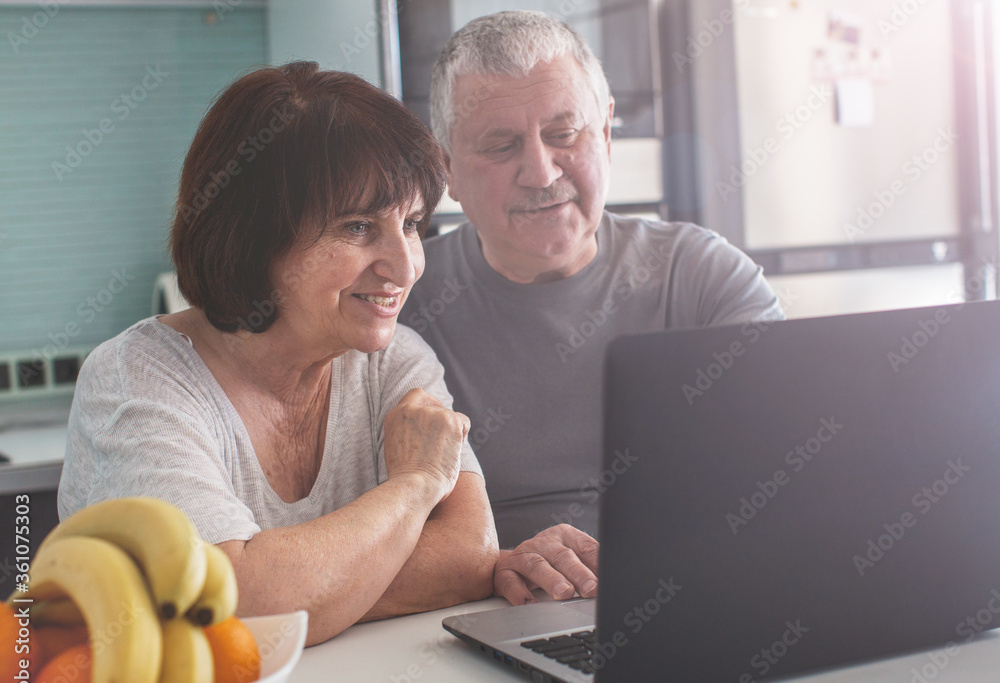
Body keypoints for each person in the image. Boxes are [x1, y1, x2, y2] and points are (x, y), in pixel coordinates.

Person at [58, 62, 498, 646]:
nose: (405, 265)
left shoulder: (394, 361)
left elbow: (468, 552)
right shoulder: (136, 379)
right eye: (359, 226)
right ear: (252, 236)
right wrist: (415, 486)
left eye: (412, 223)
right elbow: (229, 602)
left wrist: (304, 591)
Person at [402, 11, 784, 605]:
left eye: (564, 134)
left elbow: (789, 477)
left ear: (605, 131)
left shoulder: (703, 278)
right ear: (446, 168)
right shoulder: (401, 305)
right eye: (501, 145)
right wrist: (493, 563)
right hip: (492, 613)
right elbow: (370, 528)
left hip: (696, 598)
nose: (542, 171)